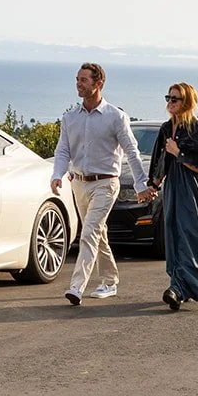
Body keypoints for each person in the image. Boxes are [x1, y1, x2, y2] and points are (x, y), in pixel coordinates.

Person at [51, 63, 152, 305]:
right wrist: (57, 174)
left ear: (98, 84)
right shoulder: (70, 118)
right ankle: (109, 280)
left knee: (88, 233)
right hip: (79, 184)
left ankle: (77, 286)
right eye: (77, 79)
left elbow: (131, 151)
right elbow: (63, 150)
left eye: (84, 80)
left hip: (106, 184)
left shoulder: (115, 117)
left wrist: (141, 185)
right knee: (98, 233)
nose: (78, 83)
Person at [149, 83, 198, 310]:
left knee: (189, 235)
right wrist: (153, 184)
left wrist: (179, 153)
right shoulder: (165, 129)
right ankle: (180, 286)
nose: (170, 103)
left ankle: (179, 288)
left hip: (191, 188)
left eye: (175, 99)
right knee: (173, 235)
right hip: (172, 186)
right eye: (168, 98)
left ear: (187, 103)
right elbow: (159, 160)